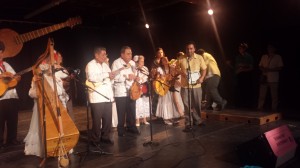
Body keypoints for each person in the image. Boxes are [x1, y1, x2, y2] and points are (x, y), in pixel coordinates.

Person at [24, 52, 71, 156]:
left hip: (57, 103)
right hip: (43, 105)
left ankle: (61, 146)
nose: (50, 66)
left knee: (60, 125)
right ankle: (47, 147)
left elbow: (66, 80)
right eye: (48, 63)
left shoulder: (58, 74)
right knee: (45, 126)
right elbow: (31, 93)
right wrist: (36, 85)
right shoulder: (38, 77)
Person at [85, 47, 115, 145]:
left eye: (105, 54)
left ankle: (105, 136)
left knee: (107, 119)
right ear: (96, 55)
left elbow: (109, 77)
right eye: (103, 54)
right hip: (97, 96)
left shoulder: (106, 65)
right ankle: (95, 139)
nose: (105, 56)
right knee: (97, 120)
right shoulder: (90, 65)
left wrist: (111, 77)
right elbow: (92, 78)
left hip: (107, 95)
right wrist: (106, 75)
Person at [177, 41, 207, 131]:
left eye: (191, 48)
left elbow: (204, 69)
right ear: (185, 49)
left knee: (197, 104)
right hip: (185, 86)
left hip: (197, 85)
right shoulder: (181, 58)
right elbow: (176, 69)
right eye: (187, 49)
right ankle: (188, 123)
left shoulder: (199, 58)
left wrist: (202, 78)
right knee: (187, 105)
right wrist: (182, 72)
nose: (189, 50)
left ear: (194, 49)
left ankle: (198, 120)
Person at [111, 46, 140, 137]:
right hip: (121, 91)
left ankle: (131, 127)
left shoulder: (132, 63)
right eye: (128, 53)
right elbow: (114, 77)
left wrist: (136, 77)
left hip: (131, 90)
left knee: (131, 110)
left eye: (131, 53)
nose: (130, 55)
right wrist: (127, 77)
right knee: (121, 111)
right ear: (122, 54)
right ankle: (121, 129)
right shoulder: (116, 63)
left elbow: (135, 74)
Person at [0, 41, 22, 148]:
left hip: (11, 96)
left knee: (12, 119)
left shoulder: (6, 64)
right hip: (1, 97)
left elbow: (14, 76)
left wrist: (17, 77)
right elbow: (4, 77)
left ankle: (12, 139)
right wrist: (2, 77)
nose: (0, 54)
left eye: (1, 52)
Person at [154, 56, 181, 125]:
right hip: (163, 88)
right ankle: (166, 118)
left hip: (170, 87)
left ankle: (171, 117)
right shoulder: (159, 69)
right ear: (162, 62)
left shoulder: (170, 68)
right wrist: (163, 77)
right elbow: (157, 78)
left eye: (166, 60)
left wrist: (172, 77)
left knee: (170, 102)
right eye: (164, 60)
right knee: (165, 102)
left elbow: (173, 76)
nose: (166, 61)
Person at [257, 44, 283, 112]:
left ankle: (274, 108)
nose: (269, 49)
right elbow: (260, 65)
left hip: (273, 78)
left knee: (274, 95)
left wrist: (270, 70)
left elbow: (280, 67)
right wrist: (263, 69)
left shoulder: (278, 57)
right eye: (268, 47)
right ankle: (260, 107)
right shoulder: (264, 56)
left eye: (271, 47)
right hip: (265, 78)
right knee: (262, 94)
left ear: (274, 49)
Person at [54, 51, 76, 121]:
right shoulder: (53, 68)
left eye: (61, 56)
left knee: (70, 114)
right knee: (63, 114)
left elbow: (66, 79)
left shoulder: (63, 68)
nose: (61, 58)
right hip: (59, 94)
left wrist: (71, 77)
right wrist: (67, 79)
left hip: (67, 93)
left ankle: (71, 129)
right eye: (59, 56)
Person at [233, 43, 254, 109]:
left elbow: (251, 67)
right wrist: (238, 70)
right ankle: (239, 105)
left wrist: (243, 67)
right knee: (239, 90)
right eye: (239, 48)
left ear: (245, 49)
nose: (240, 49)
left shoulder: (249, 56)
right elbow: (237, 66)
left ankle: (247, 105)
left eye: (241, 48)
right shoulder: (238, 57)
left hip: (246, 76)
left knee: (246, 90)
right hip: (239, 76)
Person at [133, 55, 150, 126]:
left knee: (145, 103)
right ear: (137, 62)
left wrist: (143, 79)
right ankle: (137, 120)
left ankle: (144, 119)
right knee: (138, 104)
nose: (142, 62)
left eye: (143, 61)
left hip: (144, 86)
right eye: (141, 61)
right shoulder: (135, 69)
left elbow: (147, 74)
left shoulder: (145, 68)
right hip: (137, 86)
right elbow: (135, 77)